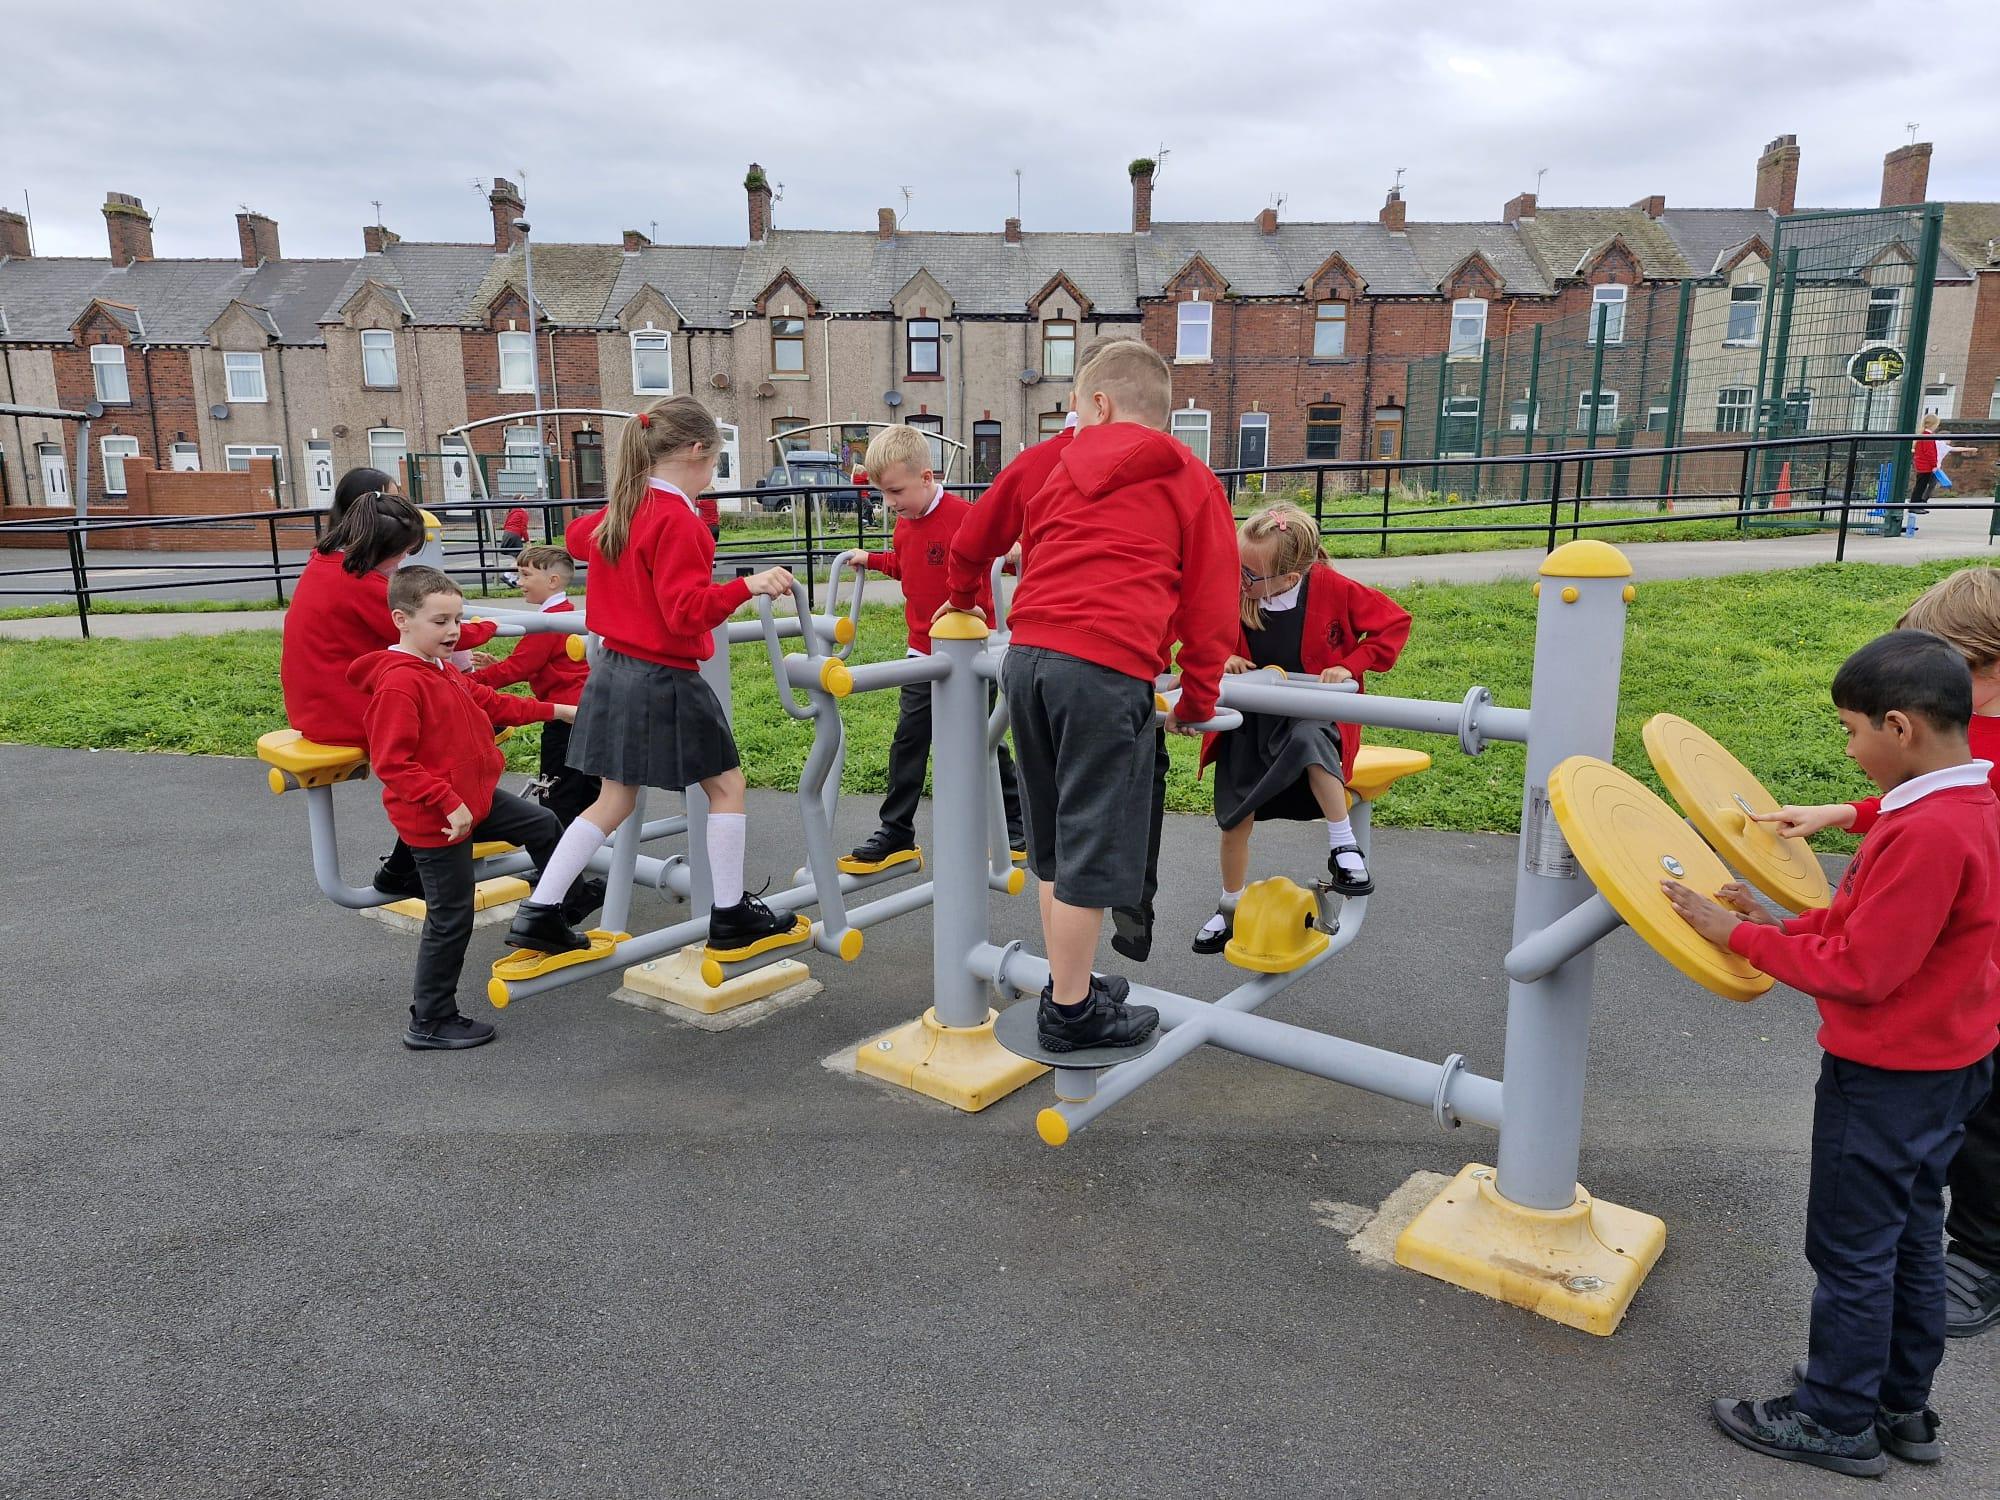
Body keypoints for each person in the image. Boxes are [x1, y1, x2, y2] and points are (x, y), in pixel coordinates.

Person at [1663, 630, 2000, 1478]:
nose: (1849, 751)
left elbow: (1863, 970)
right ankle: (1898, 1405)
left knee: (1852, 1249)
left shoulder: (1924, 831)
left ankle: (1834, 1417)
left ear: (1900, 727)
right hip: (1950, 1065)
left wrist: (1738, 936)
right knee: (1911, 1237)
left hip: (1889, 1077)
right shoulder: (1972, 805)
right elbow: (1878, 928)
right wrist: (1782, 925)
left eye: (1852, 731)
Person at [944, 340, 1238, 1052]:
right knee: (1091, 846)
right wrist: (1197, 700)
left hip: (1027, 659)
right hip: (1105, 670)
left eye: (1073, 406)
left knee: (1052, 841)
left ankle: (1066, 984)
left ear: (1098, 404)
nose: (1072, 418)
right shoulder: (1192, 479)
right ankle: (1072, 1013)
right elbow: (1211, 607)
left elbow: (977, 541)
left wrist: (963, 600)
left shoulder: (1050, 464)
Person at [1748, 567, 2000, 1342]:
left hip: (1949, 998)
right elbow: (1929, 795)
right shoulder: (1961, 738)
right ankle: (1898, 1388)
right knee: (1931, 1171)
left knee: (1977, 1132)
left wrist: (1751, 938)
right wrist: (1845, 812)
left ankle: (1981, 1258)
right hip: (1964, 967)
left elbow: (1865, 966)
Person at [505, 395, 800, 960]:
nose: (713, 473)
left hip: (612, 670)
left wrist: (625, 505)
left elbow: (577, 539)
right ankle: (730, 913)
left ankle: (540, 910)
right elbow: (686, 613)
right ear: (695, 450)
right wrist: (747, 585)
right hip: (663, 674)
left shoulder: (624, 508)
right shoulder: (680, 521)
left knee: (613, 799)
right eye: (715, 460)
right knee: (727, 787)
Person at [352, 566, 581, 1051]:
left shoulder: (439, 669)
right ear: (402, 620)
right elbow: (391, 763)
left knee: (543, 824)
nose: (454, 631)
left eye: (457, 619)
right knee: (452, 914)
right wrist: (446, 801)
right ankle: (430, 1019)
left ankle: (549, 920)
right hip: (437, 816)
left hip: (472, 799)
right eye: (440, 621)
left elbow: (490, 702)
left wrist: (558, 710)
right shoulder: (400, 683)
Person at [1191, 504, 1410, 953]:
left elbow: (1394, 624)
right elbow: (1198, 631)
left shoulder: (1332, 588)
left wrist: (1351, 665)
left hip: (1311, 715)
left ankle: (1344, 847)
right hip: (1250, 720)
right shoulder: (1236, 589)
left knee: (1311, 738)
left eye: (1249, 574)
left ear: (1289, 578)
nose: (1238, 580)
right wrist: (1221, 657)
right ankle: (1230, 904)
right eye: (1236, 566)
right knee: (1234, 819)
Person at [280, 484, 498, 899]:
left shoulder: (324, 563)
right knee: (442, 741)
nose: (402, 563)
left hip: (318, 700)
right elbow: (429, 632)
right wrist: (488, 627)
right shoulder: (359, 585)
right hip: (341, 708)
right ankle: (415, 858)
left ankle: (407, 862)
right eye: (401, 554)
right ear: (382, 548)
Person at [840, 425, 1024, 869]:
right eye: (883, 494)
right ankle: (896, 831)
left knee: (982, 740)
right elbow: (906, 566)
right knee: (909, 740)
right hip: (922, 654)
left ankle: (1017, 826)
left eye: (896, 491)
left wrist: (1017, 553)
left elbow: (1005, 555)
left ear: (926, 477)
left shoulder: (965, 517)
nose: (890, 503)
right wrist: (872, 559)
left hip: (972, 653)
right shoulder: (906, 524)